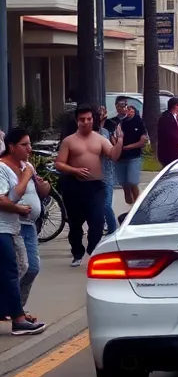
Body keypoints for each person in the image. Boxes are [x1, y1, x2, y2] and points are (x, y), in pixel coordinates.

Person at [55, 105, 124, 267]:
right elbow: (59, 164)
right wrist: (74, 170)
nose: (85, 122)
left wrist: (120, 140)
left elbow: (113, 155)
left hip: (95, 186)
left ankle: (92, 248)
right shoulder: (69, 141)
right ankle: (77, 252)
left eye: (89, 119)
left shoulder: (100, 139)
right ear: (77, 121)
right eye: (82, 119)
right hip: (74, 186)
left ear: (94, 120)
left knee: (98, 221)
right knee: (75, 223)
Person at [0, 128, 50, 334]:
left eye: (30, 144)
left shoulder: (26, 166)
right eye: (24, 145)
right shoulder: (3, 168)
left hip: (18, 227)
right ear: (11, 147)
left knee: (24, 267)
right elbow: (6, 199)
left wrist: (41, 184)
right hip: (3, 227)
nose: (29, 149)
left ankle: (13, 310)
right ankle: (18, 319)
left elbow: (42, 192)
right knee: (12, 271)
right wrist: (19, 207)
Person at [115, 101, 147, 206]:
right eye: (126, 108)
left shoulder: (138, 121)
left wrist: (129, 146)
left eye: (131, 109)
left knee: (133, 182)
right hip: (120, 157)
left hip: (133, 156)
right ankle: (130, 205)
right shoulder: (117, 122)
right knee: (124, 184)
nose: (128, 111)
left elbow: (142, 141)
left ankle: (136, 206)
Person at [96, 107, 121, 237]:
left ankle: (113, 230)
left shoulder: (105, 131)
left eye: (103, 116)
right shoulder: (87, 134)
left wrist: (119, 139)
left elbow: (112, 152)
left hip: (106, 173)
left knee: (106, 204)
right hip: (93, 175)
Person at [157, 98, 178, 167]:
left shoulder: (175, 117)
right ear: (175, 106)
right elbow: (170, 134)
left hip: (174, 150)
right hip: (168, 151)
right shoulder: (166, 118)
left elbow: (177, 132)